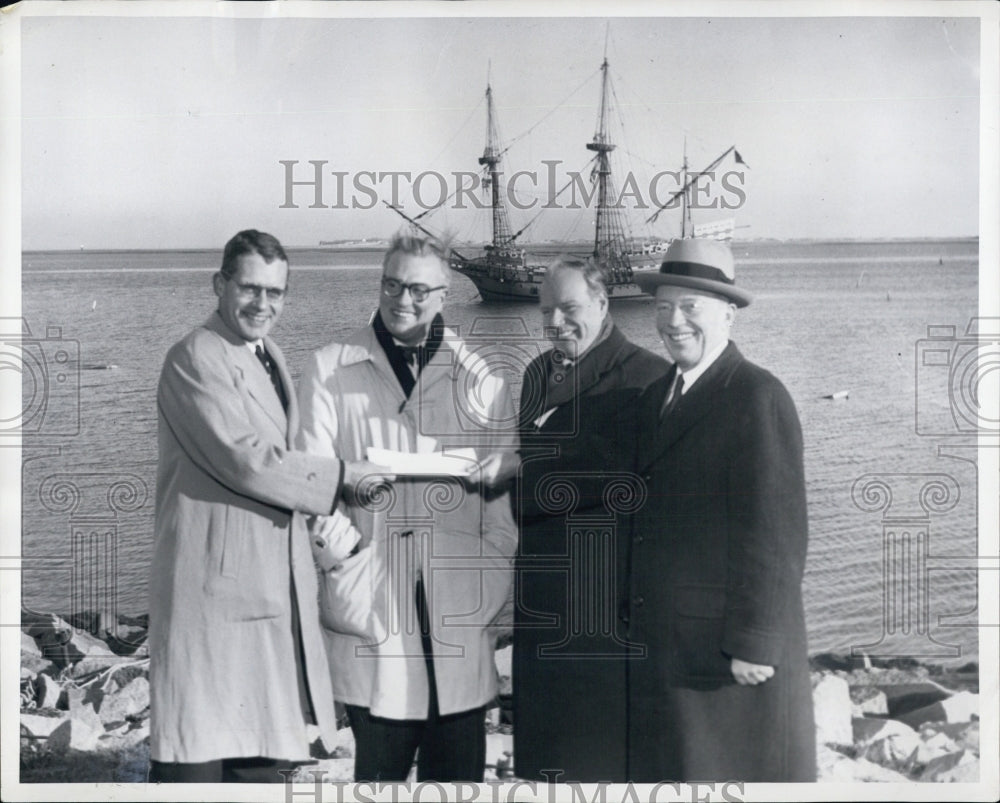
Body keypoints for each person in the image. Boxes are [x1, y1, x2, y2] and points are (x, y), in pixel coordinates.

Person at [149, 229, 385, 783]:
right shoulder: (194, 355)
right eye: (250, 289)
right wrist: (345, 478)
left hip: (261, 585)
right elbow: (247, 460)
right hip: (212, 586)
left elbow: (281, 454)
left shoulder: (268, 354)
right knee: (197, 762)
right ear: (219, 284)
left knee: (258, 757)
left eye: (275, 293)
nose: (263, 304)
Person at [296, 232, 518, 783]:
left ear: (444, 293)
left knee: (457, 782)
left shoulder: (483, 381)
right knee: (380, 779)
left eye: (419, 289)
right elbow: (309, 481)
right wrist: (344, 561)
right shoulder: (328, 369)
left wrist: (489, 573)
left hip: (458, 611)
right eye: (392, 284)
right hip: (374, 607)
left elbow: (502, 506)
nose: (403, 300)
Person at [625, 238, 816, 781]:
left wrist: (756, 642)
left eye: (691, 307)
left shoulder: (757, 396)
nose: (673, 321)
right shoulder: (658, 394)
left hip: (730, 655)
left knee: (729, 772)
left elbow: (776, 534)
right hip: (672, 644)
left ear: (728, 314)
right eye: (663, 307)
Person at [477, 258, 669, 781]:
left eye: (569, 308)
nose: (556, 322)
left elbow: (622, 481)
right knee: (543, 765)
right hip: (538, 612)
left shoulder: (646, 378)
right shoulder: (539, 372)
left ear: (603, 305)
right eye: (546, 311)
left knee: (597, 765)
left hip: (601, 619)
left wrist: (518, 471)